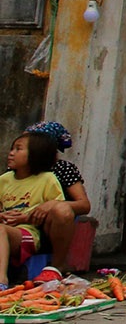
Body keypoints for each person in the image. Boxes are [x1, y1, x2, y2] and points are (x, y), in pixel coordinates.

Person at [0, 132, 67, 284]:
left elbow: (59, 210)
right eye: (11, 149)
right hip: (5, 228)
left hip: (27, 233)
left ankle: (1, 281)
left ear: (36, 155)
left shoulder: (47, 180)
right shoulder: (4, 180)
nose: (11, 153)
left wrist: (26, 216)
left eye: (18, 149)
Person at [23, 122, 89, 273]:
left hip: (49, 224)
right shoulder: (17, 169)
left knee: (61, 210)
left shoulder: (63, 169)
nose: (15, 151)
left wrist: (53, 204)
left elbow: (84, 205)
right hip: (19, 221)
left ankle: (57, 265)